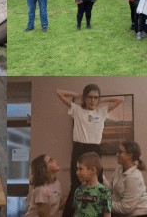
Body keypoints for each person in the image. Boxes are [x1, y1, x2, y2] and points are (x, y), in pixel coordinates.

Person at [56, 85, 123, 217]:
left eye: (95, 98)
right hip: (79, 148)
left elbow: (120, 100)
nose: (93, 100)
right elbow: (59, 92)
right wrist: (78, 96)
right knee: (75, 186)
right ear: (85, 98)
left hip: (95, 149)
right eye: (90, 97)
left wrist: (100, 100)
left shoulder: (101, 112)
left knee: (98, 183)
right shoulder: (77, 110)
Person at [106, 141, 147, 217]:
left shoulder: (134, 177)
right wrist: (98, 176)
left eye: (120, 152)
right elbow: (110, 189)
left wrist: (102, 204)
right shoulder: (119, 169)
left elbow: (126, 208)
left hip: (141, 214)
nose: (117, 155)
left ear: (129, 155)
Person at [72, 152, 111, 217]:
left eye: (80, 169)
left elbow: (107, 215)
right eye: (77, 169)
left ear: (92, 170)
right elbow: (76, 212)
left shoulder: (104, 193)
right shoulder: (78, 190)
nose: (77, 172)